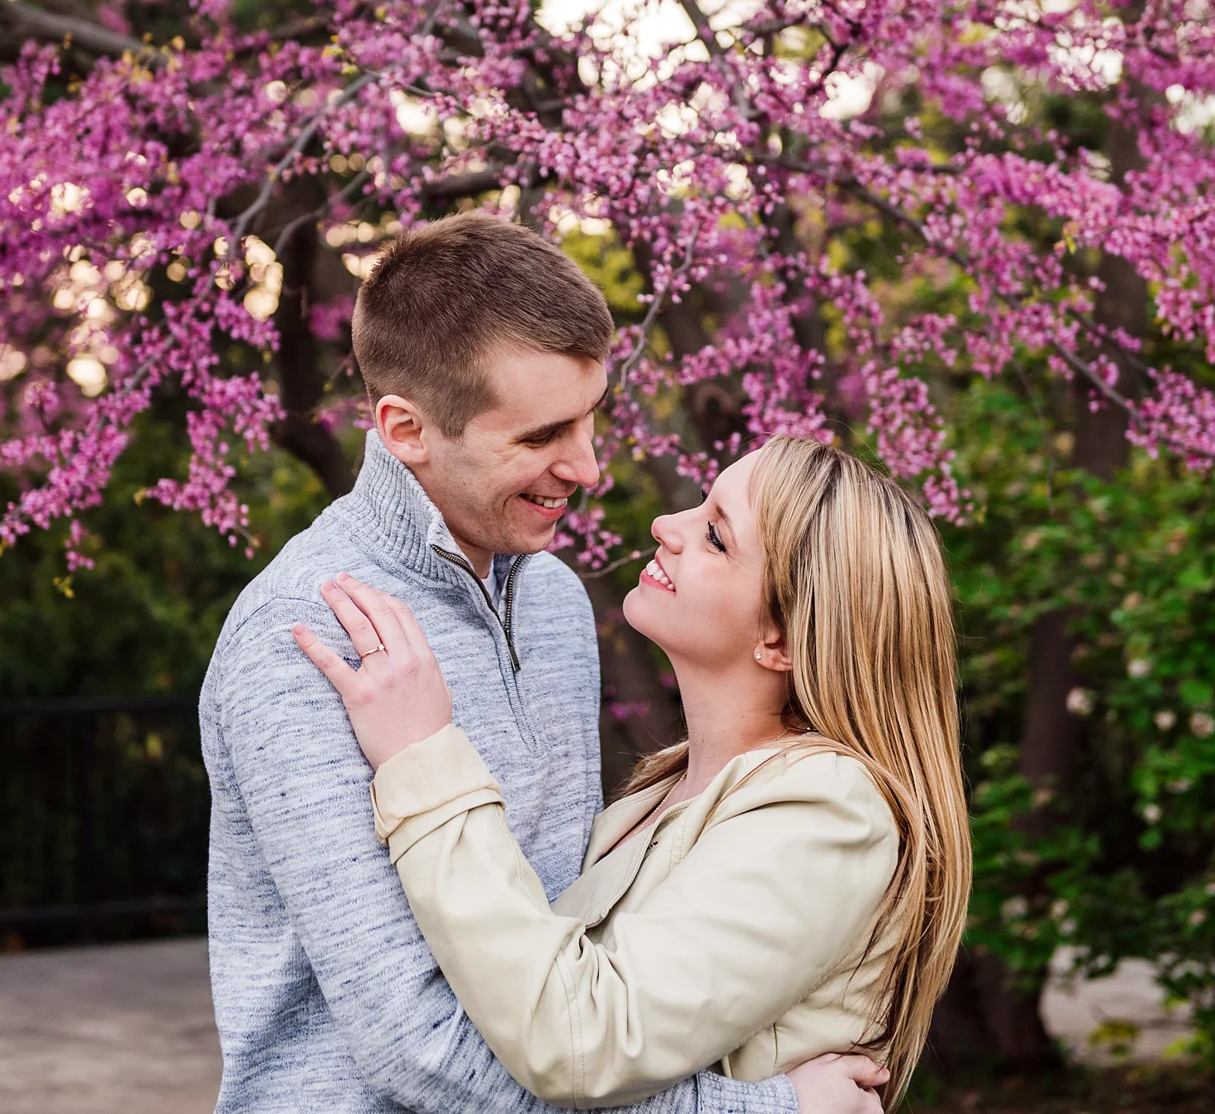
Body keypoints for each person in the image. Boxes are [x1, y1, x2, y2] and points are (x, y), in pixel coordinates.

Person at [199, 213, 886, 1113]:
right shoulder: (304, 637)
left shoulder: (556, 602)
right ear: (406, 429)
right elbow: (419, 1051)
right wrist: (767, 1111)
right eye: (541, 436)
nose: (588, 467)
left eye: (590, 418)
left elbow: (569, 993)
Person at [294, 435, 972, 1111]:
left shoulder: (828, 810)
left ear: (781, 638)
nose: (665, 525)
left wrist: (422, 755)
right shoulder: (660, 794)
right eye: (699, 504)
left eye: (715, 536)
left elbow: (581, 1041)